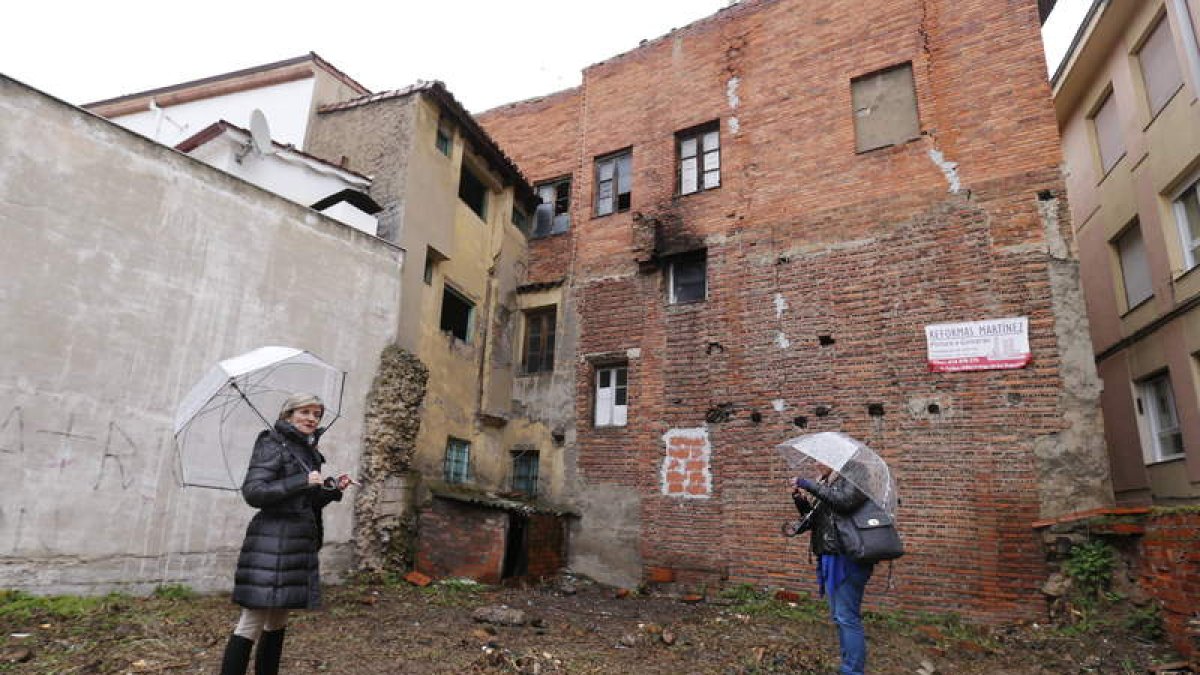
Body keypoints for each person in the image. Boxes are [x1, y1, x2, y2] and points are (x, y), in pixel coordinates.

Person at [219, 393, 352, 675]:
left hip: (296, 544)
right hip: (270, 543)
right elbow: (254, 492)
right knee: (252, 621)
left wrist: (333, 488)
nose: (311, 419)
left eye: (316, 414)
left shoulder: (307, 451)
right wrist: (299, 480)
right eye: (304, 412)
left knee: (278, 620)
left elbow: (307, 500)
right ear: (288, 415)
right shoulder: (271, 443)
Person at [791, 465, 874, 675]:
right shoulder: (826, 483)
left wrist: (808, 484)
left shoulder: (856, 475)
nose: (817, 464)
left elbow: (844, 502)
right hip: (831, 555)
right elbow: (814, 520)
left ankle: (853, 670)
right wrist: (800, 499)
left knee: (847, 616)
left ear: (836, 460)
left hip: (848, 558)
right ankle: (848, 665)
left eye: (822, 459)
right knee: (839, 616)